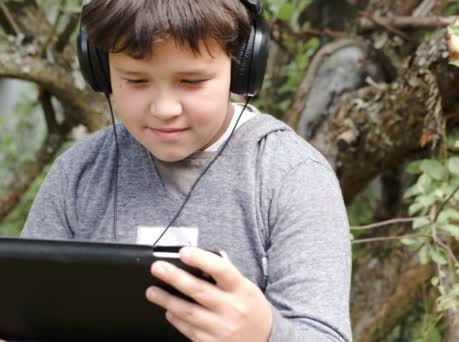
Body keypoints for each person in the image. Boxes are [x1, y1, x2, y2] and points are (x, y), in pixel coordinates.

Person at [19, 0, 352, 341]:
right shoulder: (78, 175)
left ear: (241, 68)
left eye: (192, 81)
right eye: (135, 80)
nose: (164, 109)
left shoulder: (291, 176)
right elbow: (27, 318)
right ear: (101, 71)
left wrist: (264, 334)